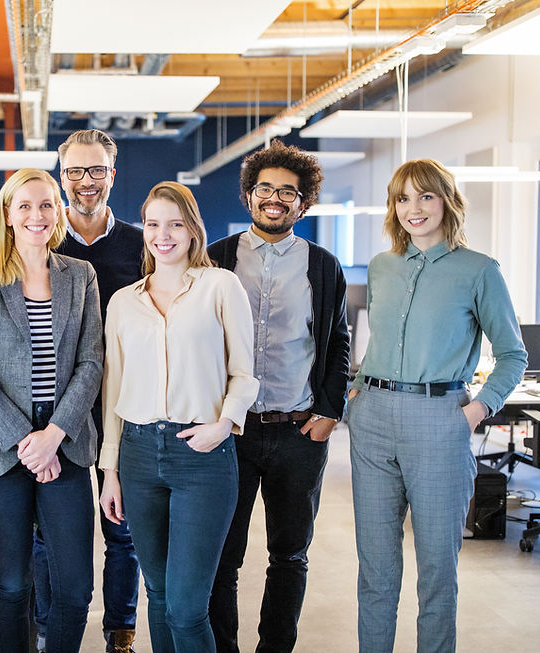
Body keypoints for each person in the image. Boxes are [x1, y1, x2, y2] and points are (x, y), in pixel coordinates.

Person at [348, 159, 527, 653]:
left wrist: (477, 410)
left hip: (440, 421)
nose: (413, 208)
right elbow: (379, 341)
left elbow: (513, 354)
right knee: (376, 572)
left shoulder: (479, 270)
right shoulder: (383, 266)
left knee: (436, 574)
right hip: (373, 419)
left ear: (446, 200)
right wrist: (357, 389)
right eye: (402, 198)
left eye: (425, 196)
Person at [99, 181, 259, 652]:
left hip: (202, 455)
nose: (162, 235)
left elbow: (245, 373)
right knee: (159, 593)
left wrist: (224, 425)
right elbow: (113, 388)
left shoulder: (220, 286)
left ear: (193, 229)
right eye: (152, 224)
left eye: (175, 223)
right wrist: (110, 470)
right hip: (139, 454)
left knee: (188, 608)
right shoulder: (123, 301)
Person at [206, 142, 351, 653]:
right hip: (233, 431)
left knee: (290, 555)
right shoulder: (216, 257)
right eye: (265, 187)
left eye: (288, 191)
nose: (275, 197)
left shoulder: (323, 265)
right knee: (223, 556)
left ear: (303, 203)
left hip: (298, 430)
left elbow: (337, 342)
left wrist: (330, 412)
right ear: (249, 195)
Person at [0, 168, 103, 653]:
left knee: (77, 587)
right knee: (12, 584)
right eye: (25, 206)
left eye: (46, 204)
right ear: (8, 214)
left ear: (58, 212)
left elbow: (91, 360)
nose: (36, 215)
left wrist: (54, 434)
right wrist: (26, 441)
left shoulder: (80, 275)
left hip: (65, 447)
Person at [42, 128, 144, 653]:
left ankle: (120, 632)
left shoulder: (141, 243)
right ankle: (50, 630)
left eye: (96, 170)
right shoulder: (39, 240)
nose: (86, 182)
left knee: (121, 525)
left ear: (112, 174)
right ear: (62, 178)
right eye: (76, 172)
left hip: (122, 401)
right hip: (54, 406)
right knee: (52, 527)